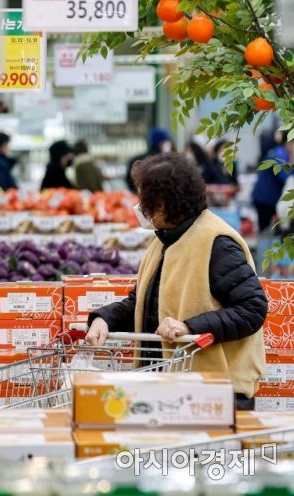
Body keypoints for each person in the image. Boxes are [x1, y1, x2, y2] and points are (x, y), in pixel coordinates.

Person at [86, 153, 267, 411]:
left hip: (214, 396)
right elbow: (141, 302)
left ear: (162, 204)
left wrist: (189, 326)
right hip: (170, 389)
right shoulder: (163, 241)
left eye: (143, 199)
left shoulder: (217, 243)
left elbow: (253, 309)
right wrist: (104, 318)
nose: (139, 207)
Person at [252, 134, 293, 232]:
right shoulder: (279, 155)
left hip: (268, 198)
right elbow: (288, 178)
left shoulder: (281, 153)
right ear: (288, 142)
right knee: (267, 230)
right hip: (266, 200)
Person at [126, 128, 173, 193]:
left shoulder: (136, 160)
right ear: (161, 143)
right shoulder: (165, 162)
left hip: (138, 199)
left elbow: (130, 183)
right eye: (167, 142)